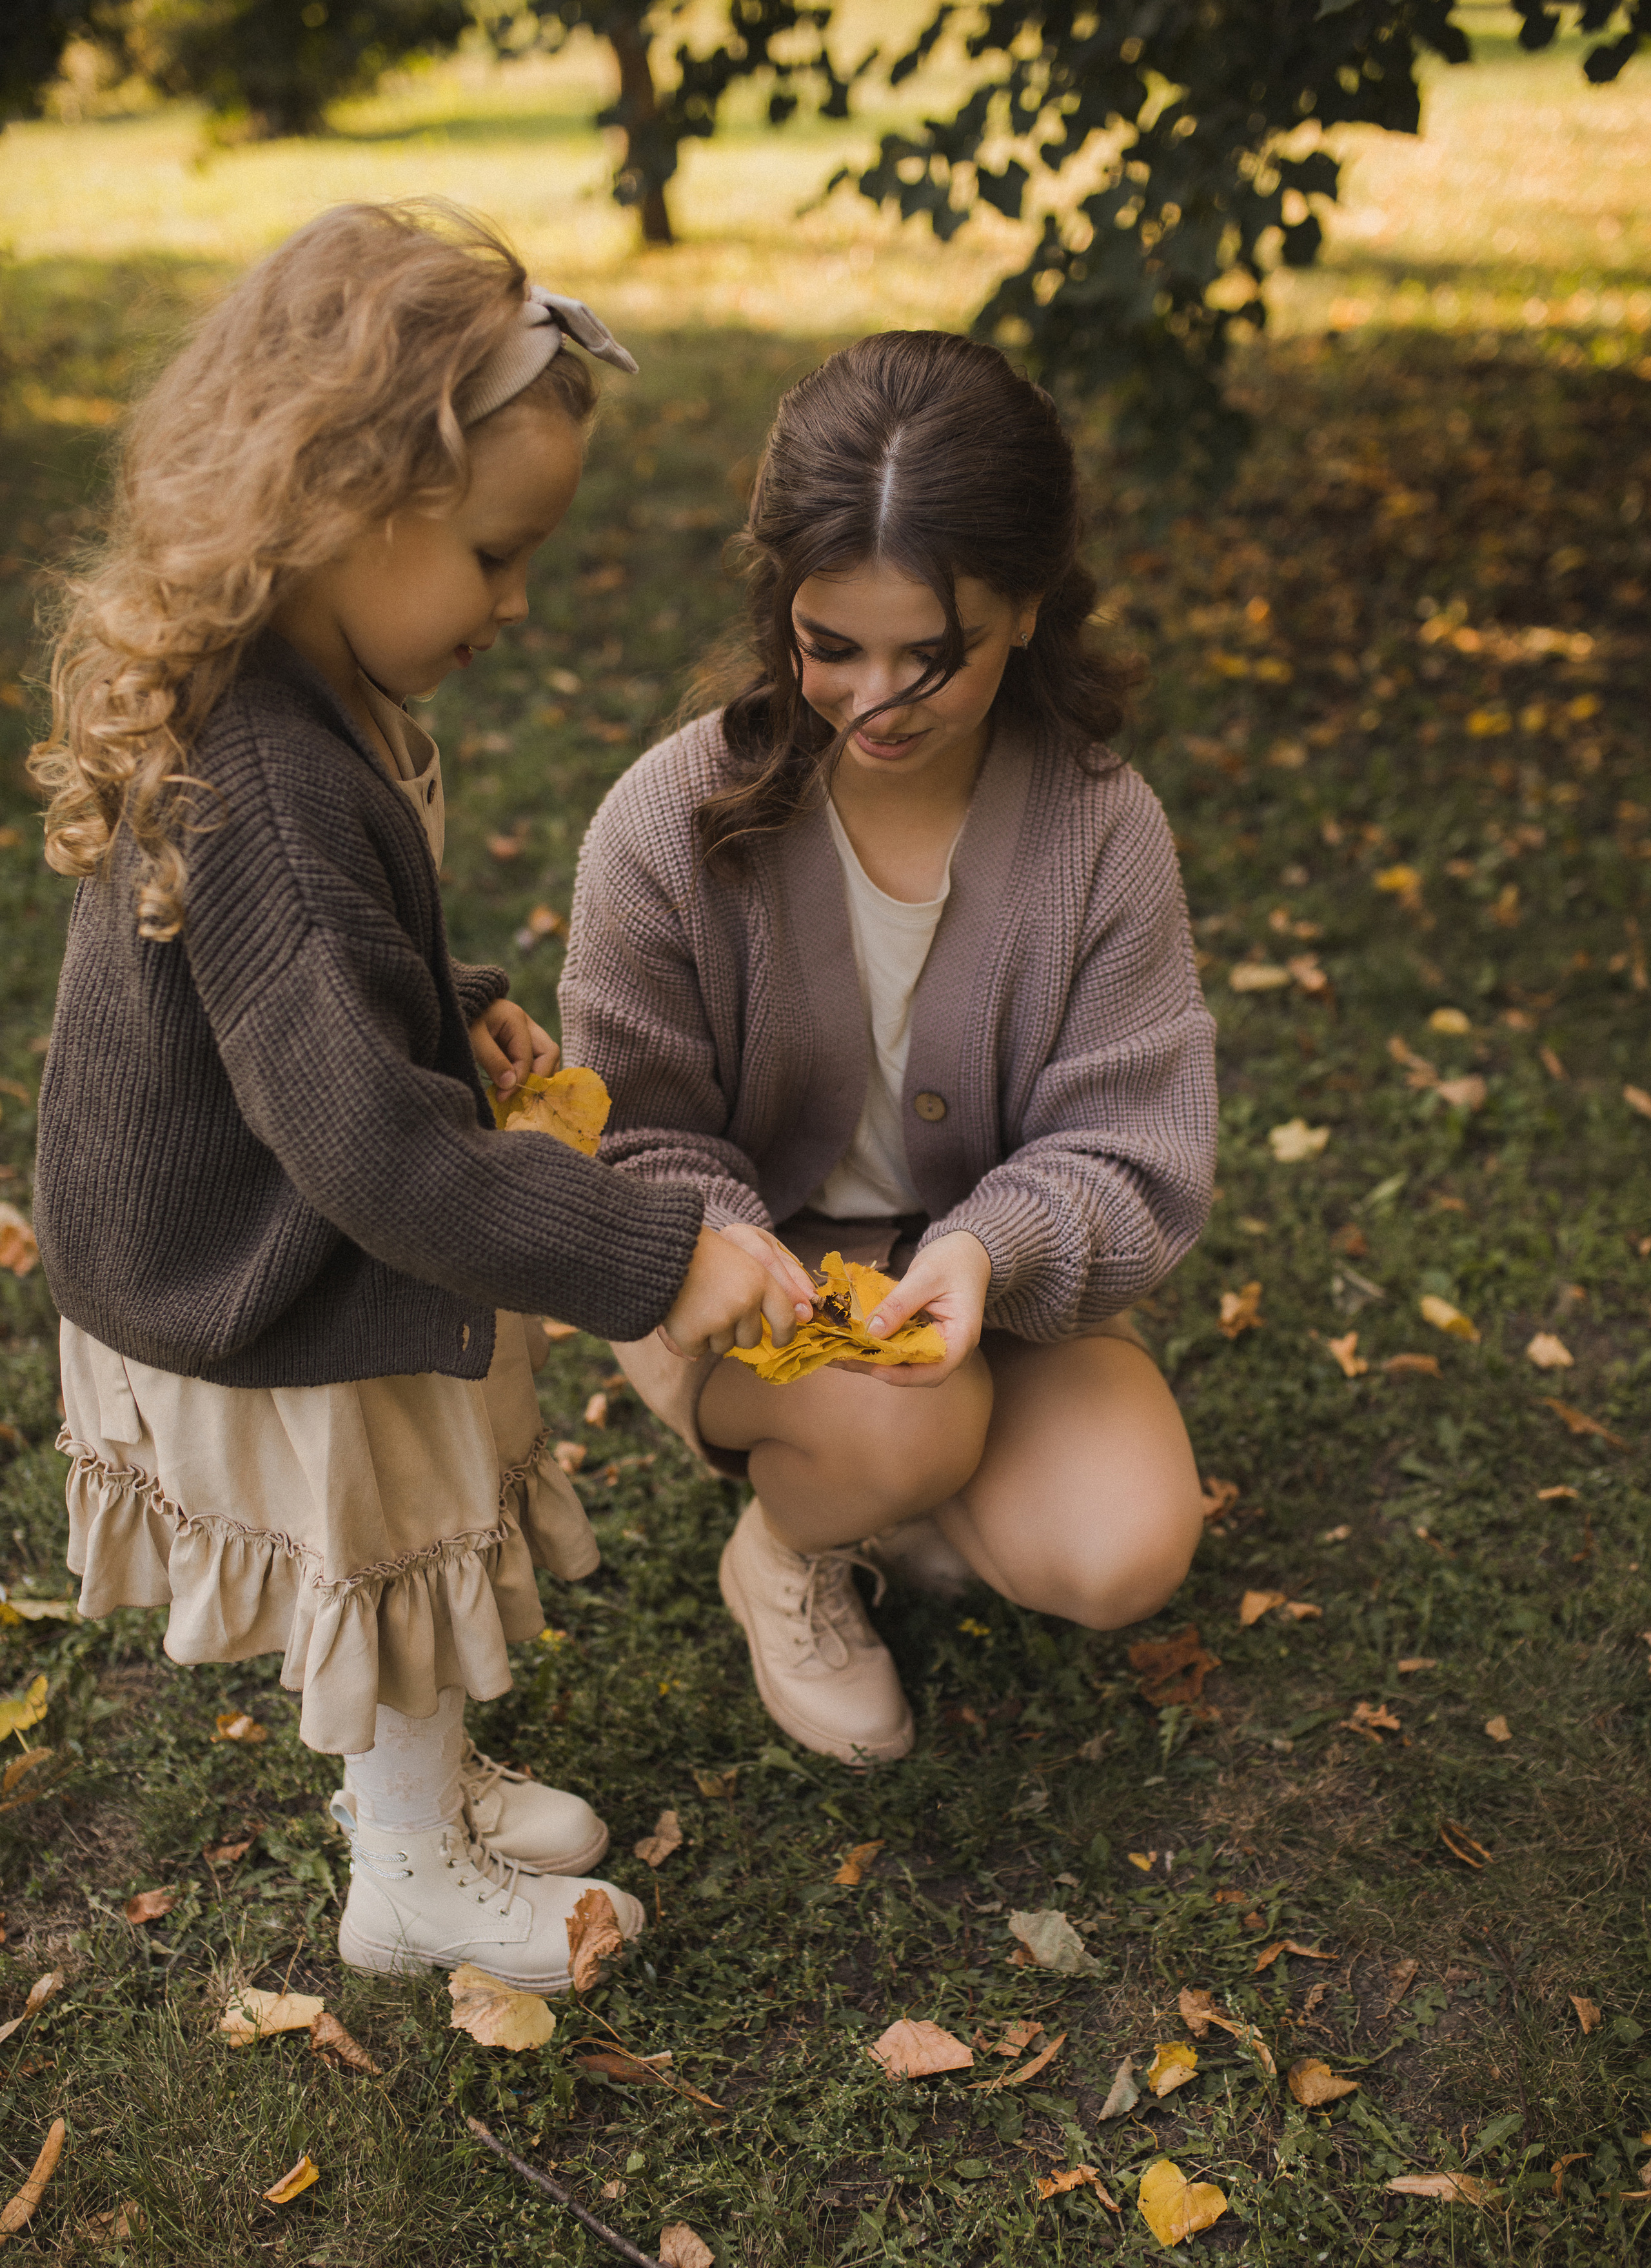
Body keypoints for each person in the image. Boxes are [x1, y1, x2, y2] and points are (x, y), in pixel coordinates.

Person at [27, 200, 812, 1987]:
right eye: (493, 556)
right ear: (338, 520)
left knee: (418, 1497)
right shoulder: (279, 787)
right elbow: (371, 1143)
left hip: (274, 1184)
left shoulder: (288, 690)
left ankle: (425, 1790)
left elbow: (296, 993)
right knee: (399, 1503)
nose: (517, 605)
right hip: (267, 1251)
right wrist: (656, 1258)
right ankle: (405, 1876)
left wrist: (450, 1007)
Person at [559, 330, 1216, 1767]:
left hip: (989, 1287)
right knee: (892, 1434)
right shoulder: (667, 826)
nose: (873, 703)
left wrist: (988, 1254)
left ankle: (911, 1469)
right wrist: (738, 1255)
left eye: (934, 657)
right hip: (751, 1294)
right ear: (778, 604)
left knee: (1120, 1552)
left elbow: (1134, 1142)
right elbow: (632, 1131)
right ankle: (792, 1544)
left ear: (1029, 610)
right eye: (829, 648)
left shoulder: (1098, 831)